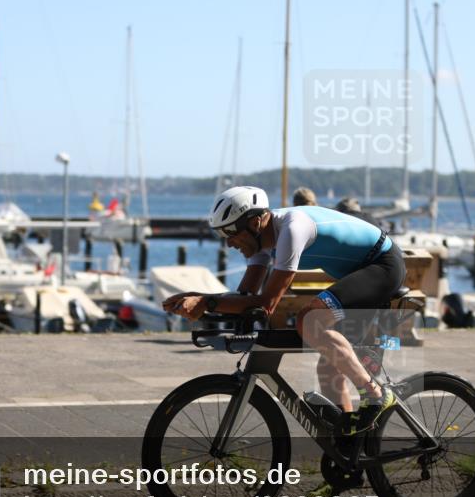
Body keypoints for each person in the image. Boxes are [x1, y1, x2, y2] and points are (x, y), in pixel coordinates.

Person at [163, 185, 405, 434]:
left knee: (309, 320)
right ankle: (350, 445)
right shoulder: (259, 244)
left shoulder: (291, 228)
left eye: (231, 233)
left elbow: (267, 303)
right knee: (328, 370)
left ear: (256, 222)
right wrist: (201, 301)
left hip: (382, 265)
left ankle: (375, 395)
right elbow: (246, 296)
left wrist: (207, 302)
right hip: (357, 273)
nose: (228, 243)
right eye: (222, 235)